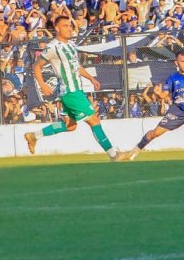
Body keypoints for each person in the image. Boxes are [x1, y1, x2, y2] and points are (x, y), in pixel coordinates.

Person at [24, 15, 128, 160]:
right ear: (57, 28)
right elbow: (36, 66)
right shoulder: (52, 47)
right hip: (69, 91)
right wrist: (42, 85)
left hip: (76, 89)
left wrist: (91, 78)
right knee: (94, 120)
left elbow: (75, 66)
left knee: (70, 126)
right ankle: (114, 155)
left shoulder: (71, 45)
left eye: (70, 26)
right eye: (65, 26)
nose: (69, 28)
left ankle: (34, 136)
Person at [125, 50, 184, 160]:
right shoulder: (172, 78)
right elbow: (164, 95)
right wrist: (159, 93)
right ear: (176, 63)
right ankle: (135, 151)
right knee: (155, 133)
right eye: (182, 61)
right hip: (177, 111)